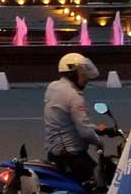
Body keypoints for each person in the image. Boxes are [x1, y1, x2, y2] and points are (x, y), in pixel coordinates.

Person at [44, 52, 115, 185]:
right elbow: (85, 131)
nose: (86, 78)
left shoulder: (53, 87)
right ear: (71, 73)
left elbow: (67, 121)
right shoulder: (73, 96)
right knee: (99, 183)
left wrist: (96, 128)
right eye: (82, 73)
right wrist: (98, 142)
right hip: (71, 156)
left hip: (56, 152)